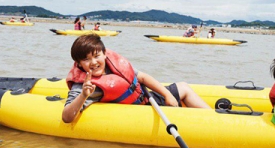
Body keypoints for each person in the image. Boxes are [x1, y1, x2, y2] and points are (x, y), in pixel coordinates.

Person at [62, 34, 210, 123]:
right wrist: (83, 96)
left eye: (96, 56)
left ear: (105, 53)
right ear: (79, 64)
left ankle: (214, 117)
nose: (93, 62)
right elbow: (66, 117)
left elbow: (143, 78)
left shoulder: (113, 64)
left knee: (183, 87)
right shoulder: (83, 86)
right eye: (87, 60)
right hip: (136, 114)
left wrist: (167, 95)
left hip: (145, 99)